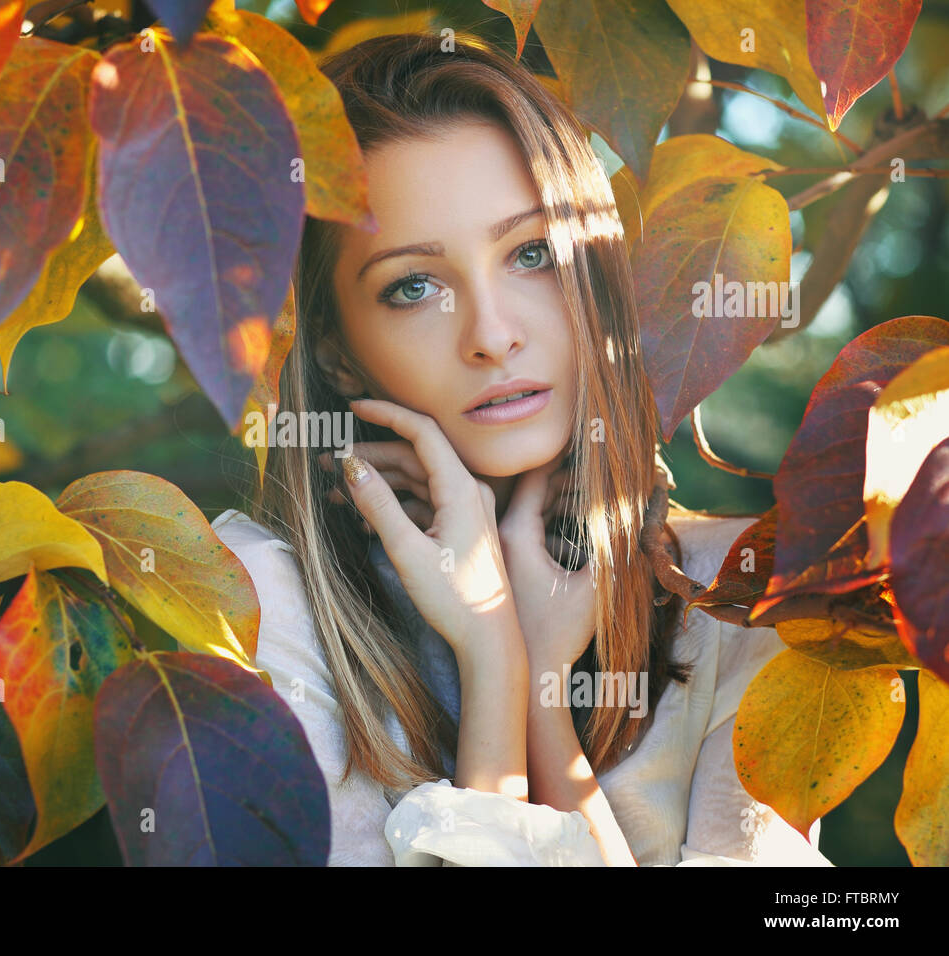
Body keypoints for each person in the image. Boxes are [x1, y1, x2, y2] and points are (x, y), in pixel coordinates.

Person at [201, 31, 831, 866]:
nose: (493, 336)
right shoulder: (259, 607)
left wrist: (544, 708)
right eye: (413, 287)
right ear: (333, 348)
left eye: (531, 253)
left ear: (594, 274)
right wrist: (496, 655)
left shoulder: (747, 599)